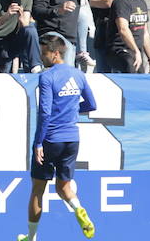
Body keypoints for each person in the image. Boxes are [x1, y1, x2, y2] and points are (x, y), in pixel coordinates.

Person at [19, 33, 96, 241]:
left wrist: (38, 143)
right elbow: (91, 105)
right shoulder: (78, 75)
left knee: (37, 189)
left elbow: (44, 112)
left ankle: (31, 237)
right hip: (72, 139)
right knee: (63, 187)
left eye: (44, 53)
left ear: (55, 53)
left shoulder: (47, 76)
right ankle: (78, 208)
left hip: (51, 138)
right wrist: (70, 109)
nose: (42, 57)